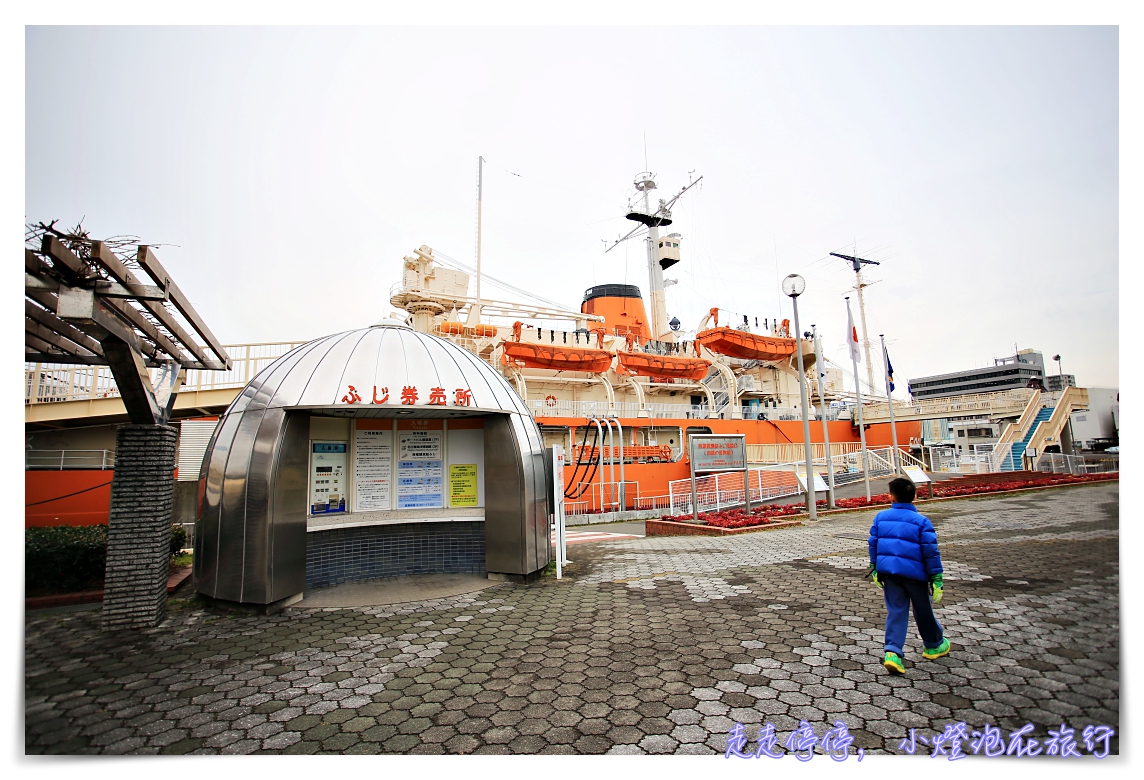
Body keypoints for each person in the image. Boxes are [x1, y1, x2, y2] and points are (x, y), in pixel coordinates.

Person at [867, 476, 949, 673]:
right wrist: (936, 577)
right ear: (914, 497)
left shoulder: (881, 517)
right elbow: (930, 551)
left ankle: (892, 652)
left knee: (896, 611)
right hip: (915, 576)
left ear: (892, 497)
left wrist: (875, 567)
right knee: (923, 610)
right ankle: (933, 643)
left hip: (890, 574)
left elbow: (873, 543)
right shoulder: (922, 522)